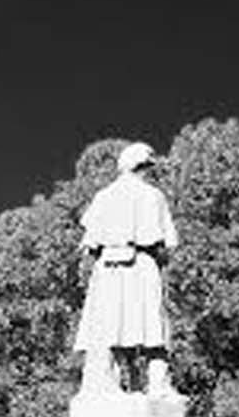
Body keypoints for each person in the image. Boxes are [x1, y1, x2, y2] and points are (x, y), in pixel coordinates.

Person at [72, 141, 178, 395]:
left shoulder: (103, 197)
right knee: (153, 327)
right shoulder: (153, 196)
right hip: (141, 264)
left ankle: (117, 382)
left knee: (112, 327)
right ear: (142, 166)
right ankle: (157, 384)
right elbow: (169, 243)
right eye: (147, 168)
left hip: (107, 269)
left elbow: (89, 244)